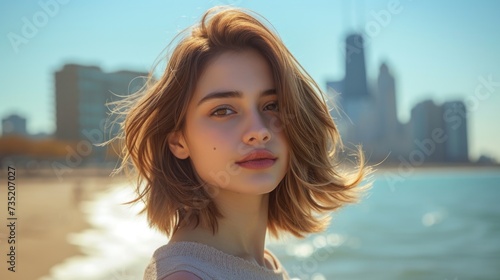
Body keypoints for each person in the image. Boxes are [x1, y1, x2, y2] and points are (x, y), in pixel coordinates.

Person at [111, 6, 369, 280]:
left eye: (272, 105)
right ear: (178, 140)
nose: (258, 131)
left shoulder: (264, 264)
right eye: (223, 110)